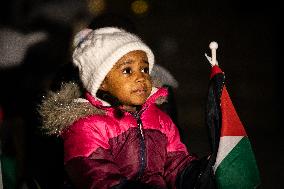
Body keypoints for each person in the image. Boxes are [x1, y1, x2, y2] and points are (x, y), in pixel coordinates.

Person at [39, 27, 215, 189]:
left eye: (145, 69)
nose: (140, 77)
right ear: (101, 83)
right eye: (127, 71)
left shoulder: (160, 120)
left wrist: (197, 173)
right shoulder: (86, 126)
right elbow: (96, 174)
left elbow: (175, 162)